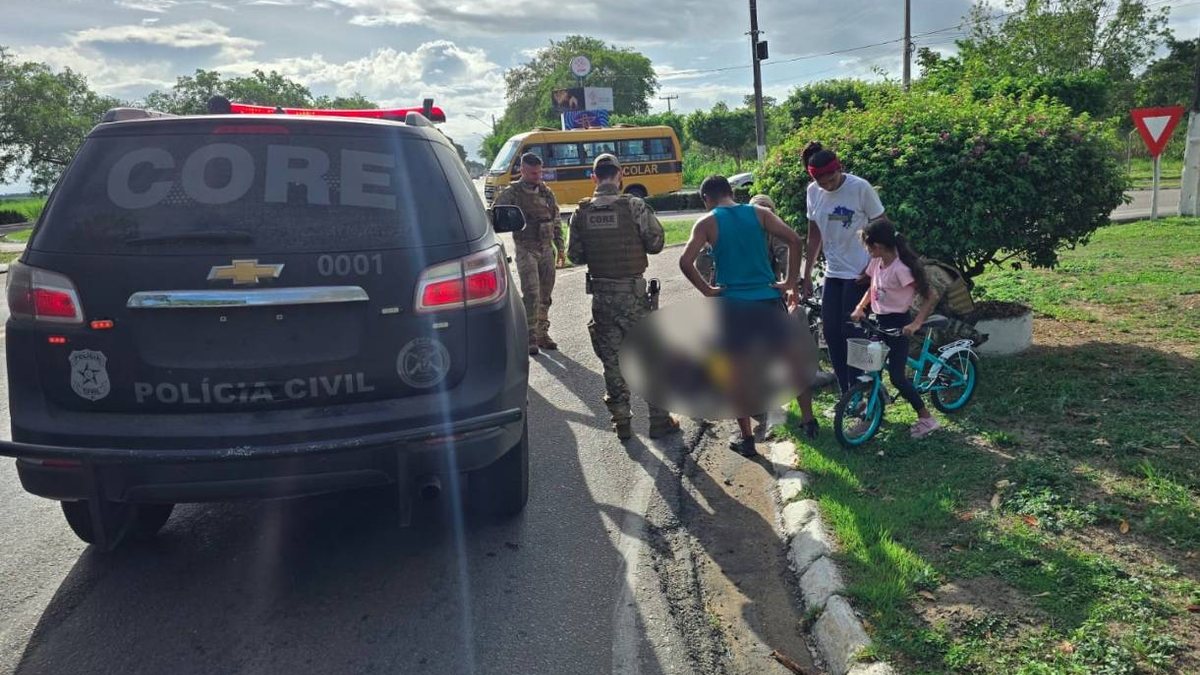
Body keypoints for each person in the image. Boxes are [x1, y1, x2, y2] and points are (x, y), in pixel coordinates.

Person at [678, 176, 810, 457]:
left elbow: (685, 262)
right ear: (732, 192)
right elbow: (795, 240)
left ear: (706, 198)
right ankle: (809, 420)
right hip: (768, 300)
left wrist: (708, 290)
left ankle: (747, 439)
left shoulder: (707, 223)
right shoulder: (760, 213)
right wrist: (789, 282)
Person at [568, 154, 680, 441]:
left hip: (602, 299)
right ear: (619, 175)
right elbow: (656, 244)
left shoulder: (581, 213)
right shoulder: (634, 206)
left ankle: (622, 423)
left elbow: (575, 255)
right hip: (633, 298)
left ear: (594, 177)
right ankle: (658, 420)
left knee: (612, 362)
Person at [800, 142, 891, 395]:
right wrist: (806, 273)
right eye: (821, 181)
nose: (827, 185)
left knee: (853, 335)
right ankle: (847, 391)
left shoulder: (860, 188)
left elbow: (883, 227)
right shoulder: (813, 192)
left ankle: (865, 391)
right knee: (830, 334)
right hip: (834, 273)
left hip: (860, 273)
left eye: (831, 178)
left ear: (839, 169)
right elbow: (814, 235)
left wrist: (874, 266)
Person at [850, 220, 941, 438]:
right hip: (879, 322)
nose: (866, 250)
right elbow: (873, 289)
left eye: (867, 246)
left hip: (899, 325)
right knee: (870, 366)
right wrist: (861, 307)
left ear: (878, 246)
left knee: (897, 377)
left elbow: (931, 296)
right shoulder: (877, 263)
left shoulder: (901, 270)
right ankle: (872, 410)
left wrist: (916, 323)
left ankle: (927, 418)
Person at [492, 152, 566, 356]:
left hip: (546, 248)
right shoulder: (512, 192)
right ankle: (530, 336)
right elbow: (496, 213)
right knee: (531, 293)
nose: (537, 176)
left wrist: (560, 248)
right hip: (526, 248)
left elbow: (556, 219)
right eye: (533, 173)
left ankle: (543, 333)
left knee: (546, 294)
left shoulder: (546, 192)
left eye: (539, 172)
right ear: (522, 170)